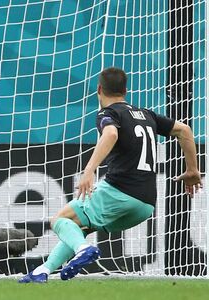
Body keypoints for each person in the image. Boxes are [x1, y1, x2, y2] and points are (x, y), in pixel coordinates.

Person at [18, 67, 203, 283]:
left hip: (120, 191)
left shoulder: (108, 113)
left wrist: (89, 170)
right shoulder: (147, 114)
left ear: (99, 89)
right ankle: (43, 270)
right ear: (125, 90)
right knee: (80, 226)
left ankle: (83, 250)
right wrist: (192, 170)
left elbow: (111, 133)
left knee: (60, 219)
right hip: (145, 205)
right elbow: (184, 130)